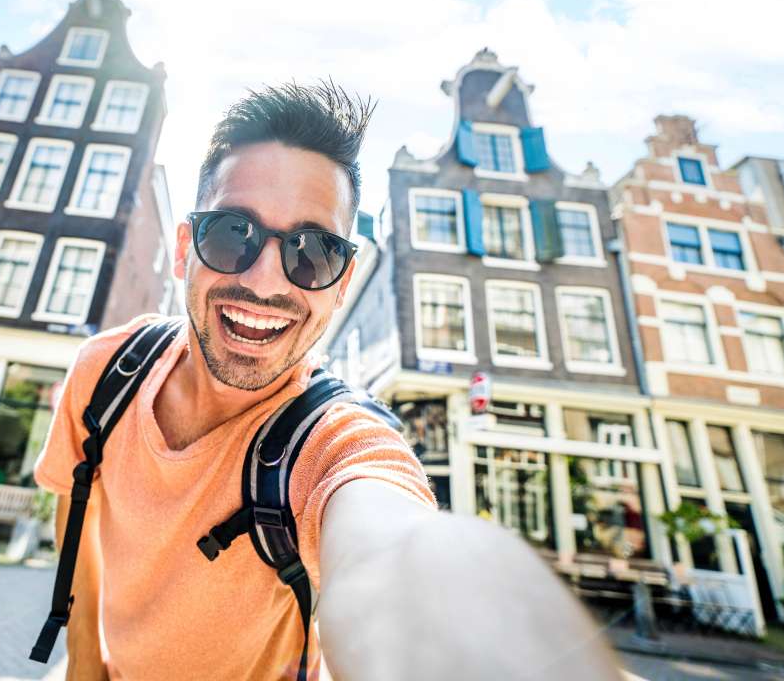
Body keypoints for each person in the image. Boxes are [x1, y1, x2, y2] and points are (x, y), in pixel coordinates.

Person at [34, 81, 622, 680]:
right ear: (186, 249)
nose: (265, 282)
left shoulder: (334, 445)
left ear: (341, 286)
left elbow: (387, 551)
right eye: (231, 231)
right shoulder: (105, 372)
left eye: (312, 251)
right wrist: (85, 661)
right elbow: (78, 507)